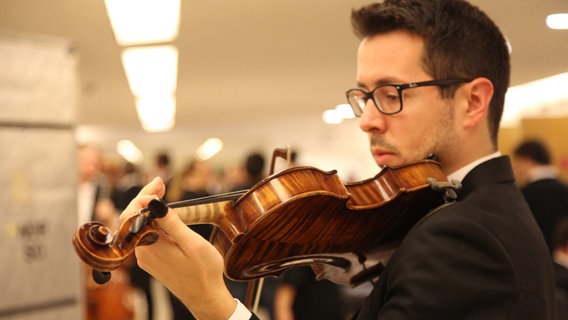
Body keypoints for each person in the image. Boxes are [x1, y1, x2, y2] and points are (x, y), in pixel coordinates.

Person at [118, 0, 555, 319]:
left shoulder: (465, 239)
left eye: (391, 94)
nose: (366, 120)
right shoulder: (459, 210)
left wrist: (212, 303)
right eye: (362, 96)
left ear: (472, 101)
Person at [512, 138, 568, 252]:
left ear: (527, 160)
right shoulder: (565, 189)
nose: (516, 168)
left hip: (533, 257)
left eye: (518, 161)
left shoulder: (522, 194)